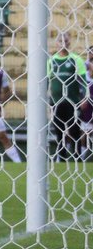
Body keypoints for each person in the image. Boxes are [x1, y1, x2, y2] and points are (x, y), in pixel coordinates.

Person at [48, 33, 86, 161]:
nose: (63, 43)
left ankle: (77, 159)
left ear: (69, 43)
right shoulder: (51, 61)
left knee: (75, 132)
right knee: (60, 132)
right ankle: (62, 159)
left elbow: (83, 81)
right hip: (56, 102)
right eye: (60, 40)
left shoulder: (76, 60)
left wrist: (85, 97)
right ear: (56, 43)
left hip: (73, 103)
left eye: (66, 40)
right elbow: (47, 81)